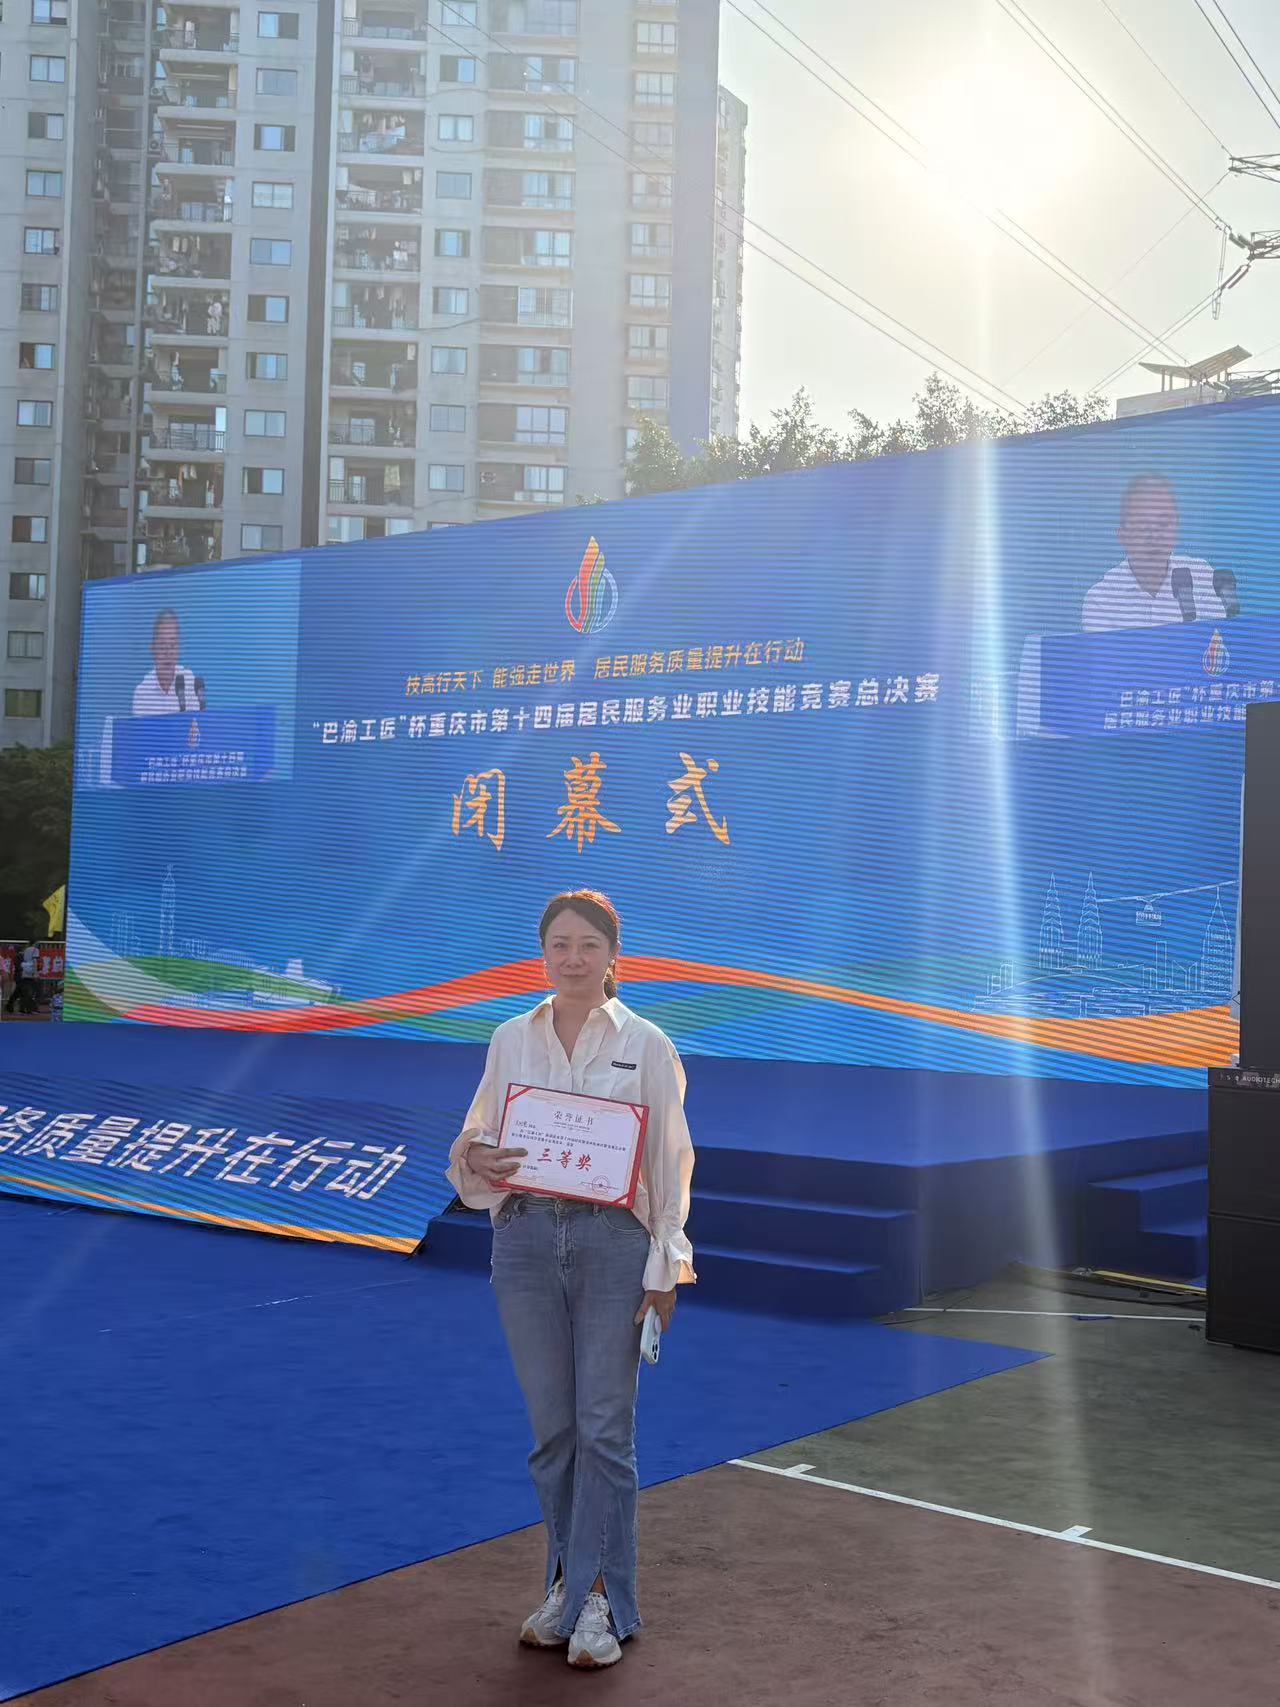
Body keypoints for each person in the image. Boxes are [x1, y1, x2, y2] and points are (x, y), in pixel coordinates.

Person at [446, 890, 695, 1671]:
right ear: (543, 952)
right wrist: (476, 1156)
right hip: (524, 1240)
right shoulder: (510, 1037)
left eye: (589, 944)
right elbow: (477, 1135)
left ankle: (603, 1601)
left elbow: (671, 1163)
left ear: (614, 955)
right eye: (560, 943)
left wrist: (666, 1264)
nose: (574, 957)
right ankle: (565, 1583)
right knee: (553, 1433)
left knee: (604, 1430)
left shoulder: (647, 1044)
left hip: (613, 1244)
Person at [1082, 472, 1232, 632]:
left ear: (1176, 528)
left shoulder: (1203, 577)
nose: (1153, 535)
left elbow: (1219, 640)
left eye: (1163, 523)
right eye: (1142, 524)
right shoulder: (1101, 600)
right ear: (1122, 535)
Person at [131, 607, 205, 715]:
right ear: (153, 649)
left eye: (172, 645)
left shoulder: (189, 683)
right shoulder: (142, 693)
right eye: (162, 645)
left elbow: (196, 723)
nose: (168, 652)